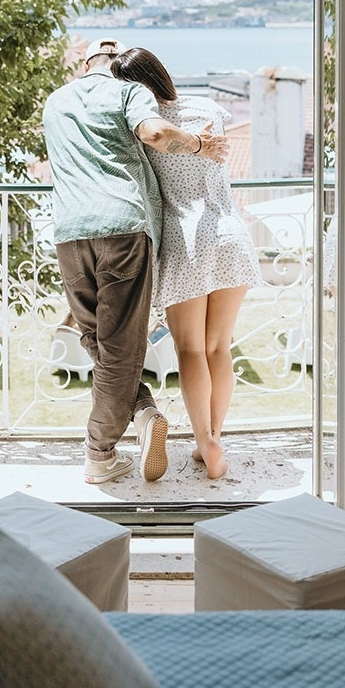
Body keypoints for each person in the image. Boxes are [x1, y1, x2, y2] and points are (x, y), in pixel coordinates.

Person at [42, 37, 228, 485]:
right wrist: (199, 145)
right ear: (116, 65)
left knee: (97, 340)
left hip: (69, 233)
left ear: (86, 65)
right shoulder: (127, 91)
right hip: (123, 229)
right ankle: (100, 452)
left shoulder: (56, 101)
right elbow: (155, 133)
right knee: (122, 349)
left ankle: (143, 413)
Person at [111, 47, 262, 480]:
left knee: (191, 349)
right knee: (219, 347)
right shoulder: (209, 108)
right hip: (230, 232)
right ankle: (212, 439)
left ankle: (206, 442)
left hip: (185, 239)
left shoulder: (143, 126)